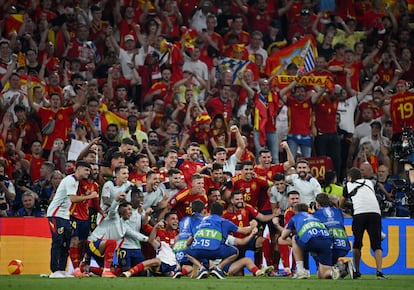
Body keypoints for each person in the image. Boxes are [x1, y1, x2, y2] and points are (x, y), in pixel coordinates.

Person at [46, 161, 95, 278]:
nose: (88, 173)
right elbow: (73, 199)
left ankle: (62, 270)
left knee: (66, 242)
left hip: (64, 216)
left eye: (89, 170)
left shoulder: (76, 181)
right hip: (55, 214)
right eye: (86, 170)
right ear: (78, 169)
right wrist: (90, 196)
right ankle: (54, 270)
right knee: (58, 241)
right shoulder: (70, 180)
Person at [86, 192, 149, 277]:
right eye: (129, 209)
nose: (131, 212)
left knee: (116, 272)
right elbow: (112, 209)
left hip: (103, 250)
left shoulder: (125, 226)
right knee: (112, 243)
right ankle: (106, 270)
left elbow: (137, 235)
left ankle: (87, 268)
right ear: (121, 209)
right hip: (93, 243)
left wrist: (150, 239)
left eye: (131, 210)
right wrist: (116, 200)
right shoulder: (113, 217)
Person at [187, 201, 256, 279]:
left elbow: (190, 240)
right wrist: (252, 226)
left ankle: (201, 268)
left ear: (210, 211)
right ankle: (219, 268)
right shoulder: (224, 222)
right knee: (235, 252)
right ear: (222, 213)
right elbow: (244, 231)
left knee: (188, 252)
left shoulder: (202, 221)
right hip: (215, 251)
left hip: (200, 252)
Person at [340, 167, 387, 279]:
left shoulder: (348, 186)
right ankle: (379, 272)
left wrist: (341, 208)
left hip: (359, 214)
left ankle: (357, 271)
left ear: (350, 177)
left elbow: (342, 201)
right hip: (375, 213)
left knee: (357, 244)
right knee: (376, 245)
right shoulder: (369, 182)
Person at [279, 203, 341, 279]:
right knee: (323, 275)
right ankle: (336, 270)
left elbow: (283, 236)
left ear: (295, 211)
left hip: (311, 241)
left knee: (294, 238)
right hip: (327, 241)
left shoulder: (295, 217)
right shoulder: (316, 217)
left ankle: (301, 271)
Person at [313, 193, 353, 279]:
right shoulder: (338, 212)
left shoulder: (315, 215)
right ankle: (341, 267)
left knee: (312, 242)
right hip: (344, 245)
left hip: (329, 247)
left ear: (317, 204)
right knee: (322, 275)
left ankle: (341, 267)